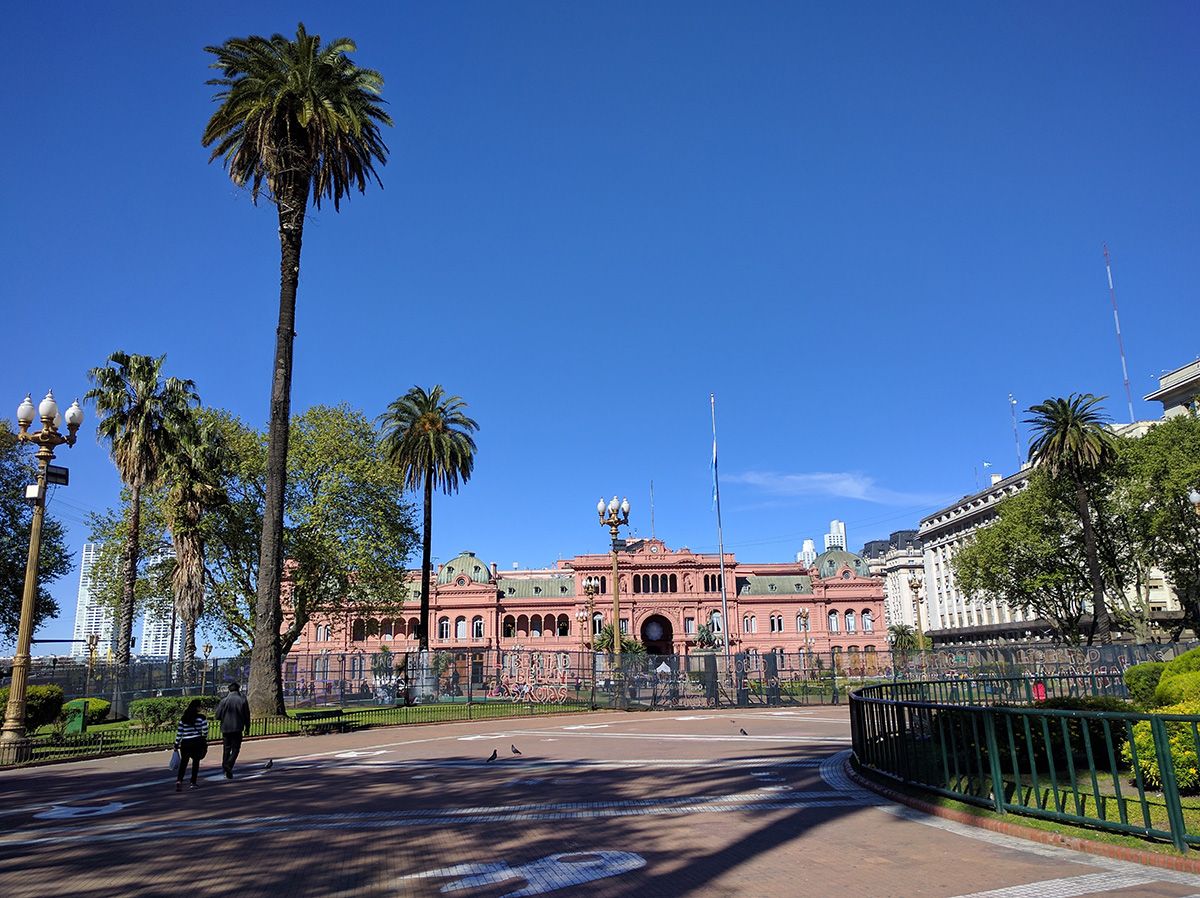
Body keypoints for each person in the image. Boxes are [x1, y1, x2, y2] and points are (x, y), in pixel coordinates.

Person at [215, 681, 251, 780]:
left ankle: (225, 767)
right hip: (238, 728)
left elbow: (217, 716)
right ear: (238, 689)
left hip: (226, 728)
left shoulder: (223, 701)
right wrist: (247, 727)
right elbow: (247, 715)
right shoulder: (242, 700)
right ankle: (229, 765)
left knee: (226, 749)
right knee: (235, 749)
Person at [173, 699, 209, 792]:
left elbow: (179, 732)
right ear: (197, 707)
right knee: (195, 762)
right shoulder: (201, 718)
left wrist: (176, 743)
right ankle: (193, 782)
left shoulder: (184, 718)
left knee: (184, 763)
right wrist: (203, 737)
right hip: (197, 742)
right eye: (200, 706)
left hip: (185, 743)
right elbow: (205, 731)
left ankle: (179, 780)